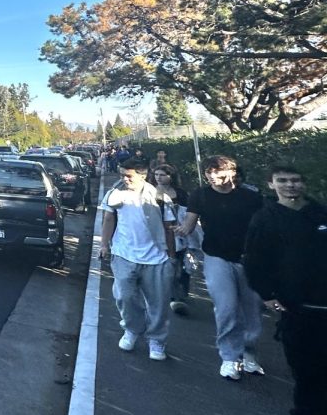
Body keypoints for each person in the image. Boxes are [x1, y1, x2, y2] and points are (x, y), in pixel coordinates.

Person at [244, 164, 327, 415]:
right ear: (271, 184)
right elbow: (255, 261)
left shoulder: (320, 213)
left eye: (296, 180)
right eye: (283, 180)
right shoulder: (264, 219)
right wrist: (267, 295)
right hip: (296, 304)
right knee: (306, 361)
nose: (290, 185)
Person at [178, 155, 264, 380]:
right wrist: (179, 232)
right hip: (216, 256)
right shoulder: (200, 195)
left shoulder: (251, 196)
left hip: (250, 259)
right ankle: (229, 357)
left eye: (218, 172)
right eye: (208, 172)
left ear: (232, 172)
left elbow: (264, 226)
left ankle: (249, 353)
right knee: (226, 307)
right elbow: (188, 223)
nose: (213, 176)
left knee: (251, 309)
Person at [98, 157, 178, 361]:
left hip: (156, 258)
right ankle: (132, 329)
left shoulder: (159, 196)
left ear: (142, 175)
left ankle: (157, 339)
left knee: (158, 303)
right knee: (124, 296)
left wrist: (171, 256)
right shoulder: (114, 194)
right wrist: (104, 245)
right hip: (124, 254)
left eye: (129, 176)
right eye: (122, 175)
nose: (125, 179)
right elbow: (108, 219)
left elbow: (169, 228)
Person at [153, 164, 199, 315]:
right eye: (156, 174)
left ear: (170, 176)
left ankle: (181, 294)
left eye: (162, 175)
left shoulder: (181, 193)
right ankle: (173, 296)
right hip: (159, 233)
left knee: (180, 265)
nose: (158, 178)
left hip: (178, 233)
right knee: (165, 263)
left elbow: (190, 214)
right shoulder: (150, 192)